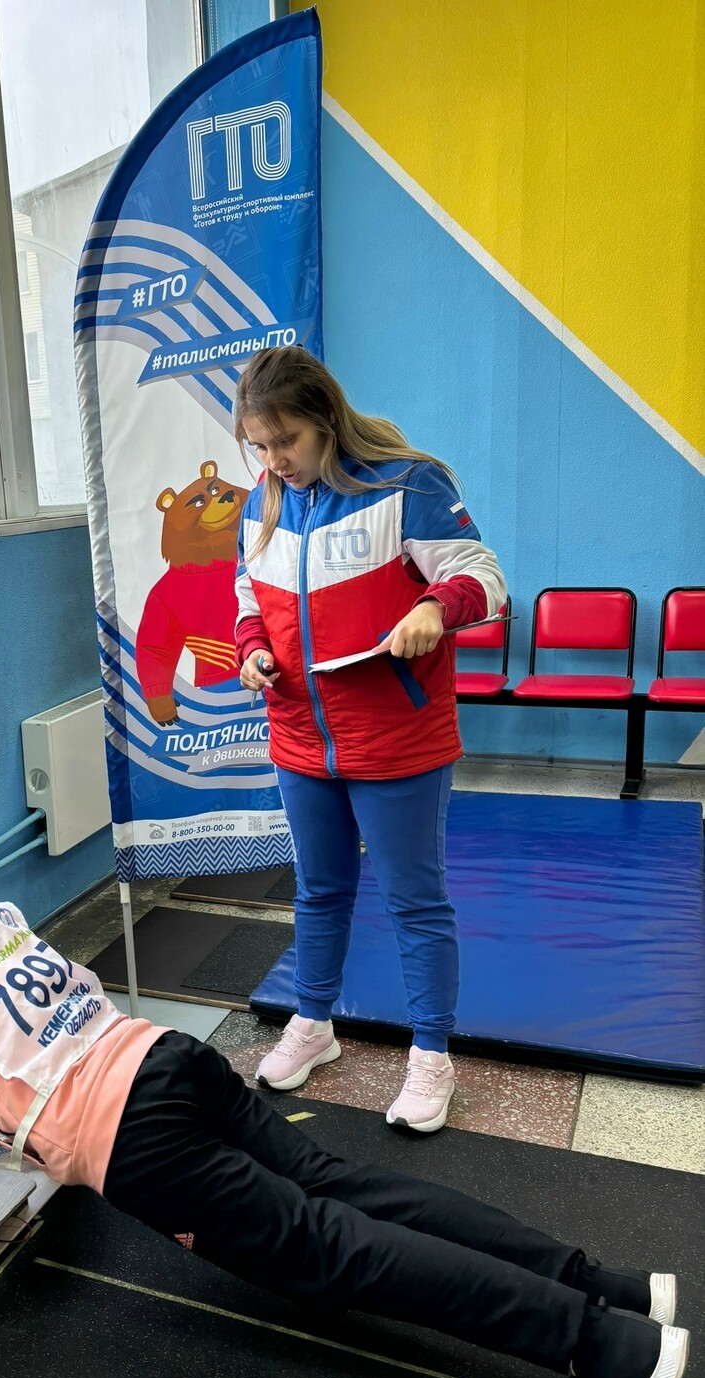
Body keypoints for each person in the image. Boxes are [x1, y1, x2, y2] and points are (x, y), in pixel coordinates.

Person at [0, 860, 688, 1378]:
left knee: (336, 1252)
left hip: (136, 1138)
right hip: (166, 1056)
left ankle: (604, 1345)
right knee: (344, 1189)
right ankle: (604, 1288)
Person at [232, 347, 508, 1131]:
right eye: (258, 444)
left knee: (414, 900)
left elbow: (483, 576)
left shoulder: (407, 484)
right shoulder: (263, 501)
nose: (273, 459)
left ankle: (431, 1056)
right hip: (299, 735)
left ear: (324, 418)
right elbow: (247, 594)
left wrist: (434, 608)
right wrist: (252, 648)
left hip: (396, 738)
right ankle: (312, 1023)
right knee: (318, 890)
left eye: (285, 439)